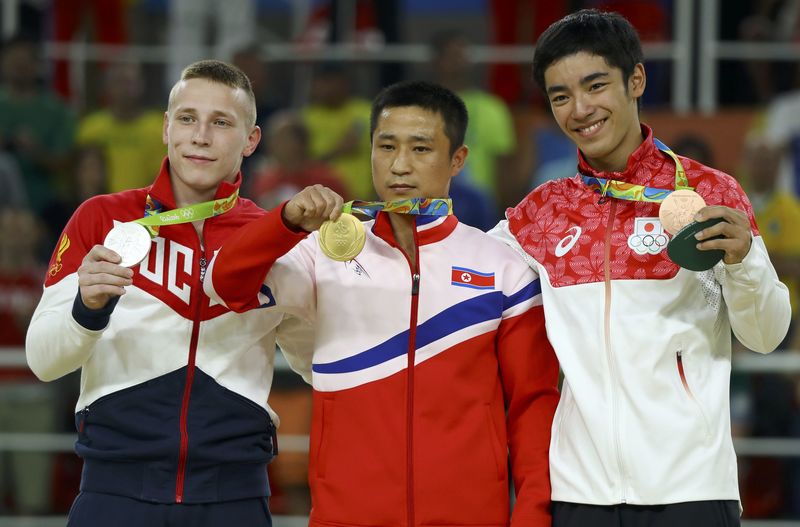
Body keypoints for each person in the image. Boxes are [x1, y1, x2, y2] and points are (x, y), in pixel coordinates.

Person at [204, 80, 560, 526]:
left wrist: (533, 515)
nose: (399, 166)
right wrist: (285, 222)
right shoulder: (323, 254)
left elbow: (533, 405)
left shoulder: (503, 268)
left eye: (421, 149)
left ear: (458, 159)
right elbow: (224, 284)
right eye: (386, 146)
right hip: (347, 515)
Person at [488, 9, 791, 527]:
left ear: (636, 79)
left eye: (595, 85)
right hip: (580, 493)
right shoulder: (538, 215)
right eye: (560, 96)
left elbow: (766, 335)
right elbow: (458, 274)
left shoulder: (708, 192)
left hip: (691, 488)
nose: (580, 109)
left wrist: (745, 265)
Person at [25, 59, 305, 526]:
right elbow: (42, 360)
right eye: (188, 119)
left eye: (221, 123)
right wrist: (85, 309)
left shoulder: (280, 241)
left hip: (233, 498)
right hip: (113, 494)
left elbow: (317, 363)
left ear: (251, 140)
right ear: (166, 127)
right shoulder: (101, 218)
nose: (200, 136)